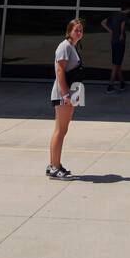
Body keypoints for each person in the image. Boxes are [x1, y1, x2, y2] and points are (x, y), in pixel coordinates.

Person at [47, 18, 84, 180]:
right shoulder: (64, 46)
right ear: (69, 31)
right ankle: (55, 167)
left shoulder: (72, 47)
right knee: (60, 130)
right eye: (76, 30)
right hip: (63, 94)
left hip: (70, 92)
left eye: (81, 30)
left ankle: (54, 164)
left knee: (62, 130)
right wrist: (66, 94)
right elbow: (60, 71)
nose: (79, 32)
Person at [101, 2, 130, 92]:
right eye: (129, 9)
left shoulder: (114, 14)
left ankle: (122, 83)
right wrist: (121, 35)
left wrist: (110, 31)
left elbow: (103, 22)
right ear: (127, 9)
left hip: (113, 41)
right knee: (116, 63)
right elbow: (122, 26)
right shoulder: (124, 16)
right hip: (120, 42)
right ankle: (110, 85)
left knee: (117, 62)